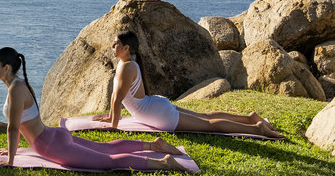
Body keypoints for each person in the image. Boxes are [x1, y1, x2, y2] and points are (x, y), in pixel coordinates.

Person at [0, 46, 193, 172]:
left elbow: (14, 128)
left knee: (108, 160)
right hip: (52, 136)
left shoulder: (16, 89)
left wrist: (10, 160)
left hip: (50, 145)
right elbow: (24, 124)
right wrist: (11, 149)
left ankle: (164, 163)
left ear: (6, 68)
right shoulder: (19, 84)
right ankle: (154, 146)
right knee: (107, 149)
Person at [95, 31, 282, 138]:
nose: (113, 46)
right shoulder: (127, 64)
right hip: (155, 107)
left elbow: (118, 98)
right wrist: (110, 117)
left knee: (209, 125)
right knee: (205, 117)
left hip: (157, 114)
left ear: (126, 48)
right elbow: (115, 98)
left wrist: (113, 124)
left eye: (115, 44)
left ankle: (257, 128)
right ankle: (250, 118)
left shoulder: (125, 67)